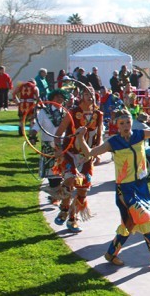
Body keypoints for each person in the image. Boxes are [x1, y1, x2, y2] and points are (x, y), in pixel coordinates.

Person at [73, 109, 150, 270]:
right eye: (122, 123)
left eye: (128, 122)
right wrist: (80, 137)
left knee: (129, 225)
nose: (125, 126)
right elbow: (90, 153)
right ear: (116, 125)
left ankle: (111, 253)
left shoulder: (139, 134)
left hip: (141, 187)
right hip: (125, 190)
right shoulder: (113, 142)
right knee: (145, 219)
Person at [53, 87, 103, 232]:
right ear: (81, 96)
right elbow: (58, 134)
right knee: (70, 179)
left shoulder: (98, 114)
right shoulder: (72, 113)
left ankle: (72, 217)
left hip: (86, 156)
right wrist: (58, 150)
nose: (90, 96)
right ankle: (64, 208)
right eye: (87, 94)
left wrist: (97, 153)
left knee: (82, 189)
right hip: (70, 153)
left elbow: (98, 136)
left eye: (92, 94)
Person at [30, 89, 68, 203]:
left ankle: (56, 195)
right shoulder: (44, 112)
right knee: (53, 173)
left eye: (62, 97)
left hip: (63, 145)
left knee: (63, 172)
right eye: (57, 97)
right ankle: (55, 195)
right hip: (49, 145)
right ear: (52, 98)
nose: (59, 99)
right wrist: (32, 136)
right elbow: (37, 126)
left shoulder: (66, 113)